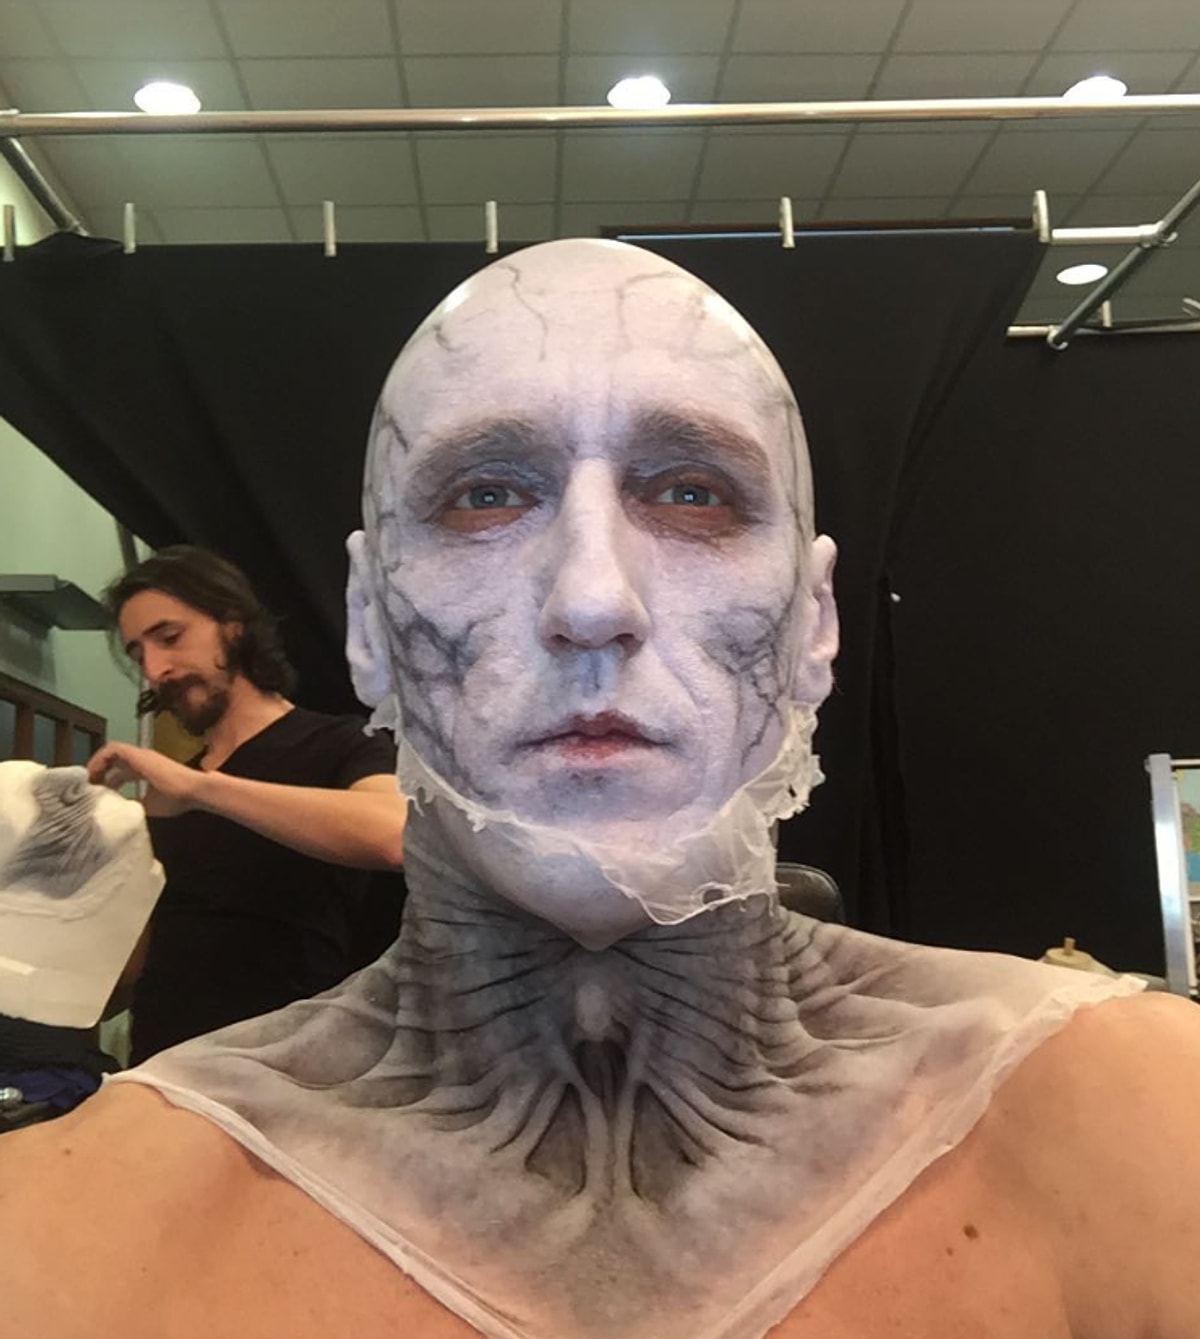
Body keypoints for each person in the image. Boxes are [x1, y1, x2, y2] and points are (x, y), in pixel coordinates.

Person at [3, 239, 1200, 1338]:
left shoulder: (1145, 1125)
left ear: (815, 624)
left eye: (692, 492)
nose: (590, 599)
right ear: (369, 626)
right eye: (486, 495)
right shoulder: (67, 1233)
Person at [89, 546, 407, 1059]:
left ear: (233, 625)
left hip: (288, 1069)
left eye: (170, 637)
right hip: (162, 1067)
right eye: (138, 654)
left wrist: (201, 790)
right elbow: (138, 962)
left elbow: (395, 834)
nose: (155, 668)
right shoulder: (167, 794)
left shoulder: (341, 744)